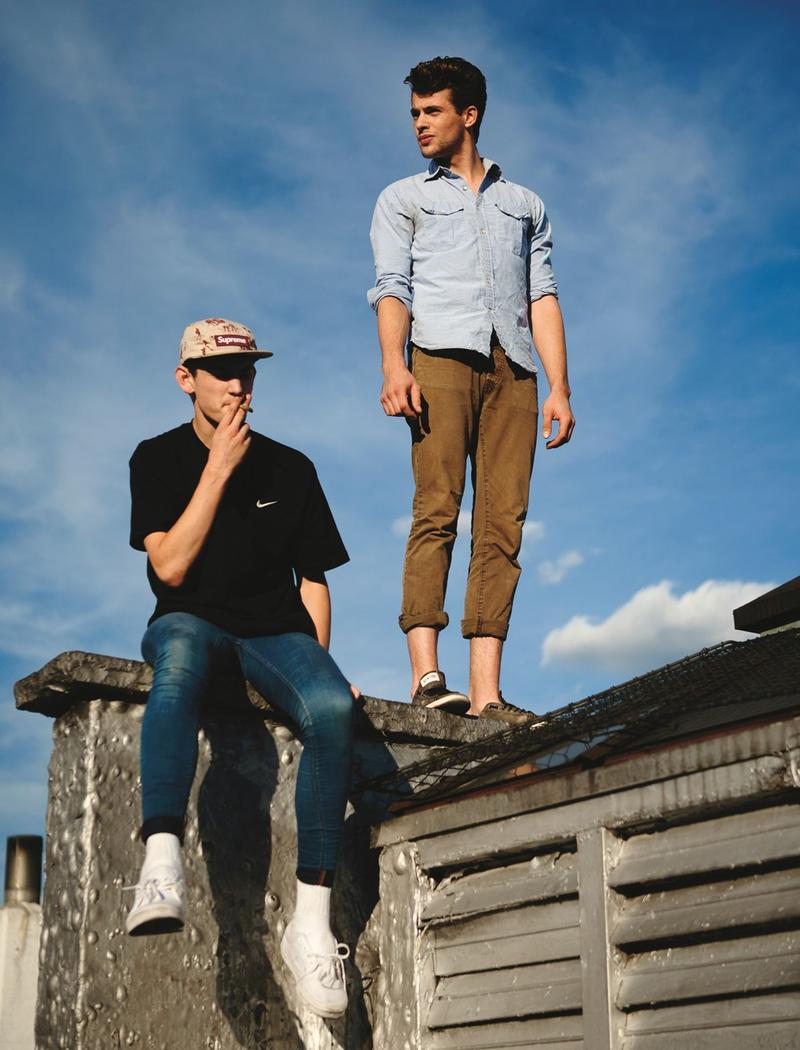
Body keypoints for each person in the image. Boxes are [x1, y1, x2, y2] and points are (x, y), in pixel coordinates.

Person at [125, 317, 354, 1019]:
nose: (237, 385)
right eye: (222, 372)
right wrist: (219, 468)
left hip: (274, 632)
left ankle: (311, 924)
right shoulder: (156, 457)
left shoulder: (292, 467)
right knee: (176, 664)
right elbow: (169, 566)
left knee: (334, 708)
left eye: (246, 371)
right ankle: (161, 861)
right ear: (186, 379)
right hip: (191, 621)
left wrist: (318, 666)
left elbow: (313, 581)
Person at [368, 57, 575, 725]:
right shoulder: (403, 198)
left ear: (469, 114)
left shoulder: (525, 205)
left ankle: (487, 695)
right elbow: (392, 286)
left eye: (432, 111)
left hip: (514, 368)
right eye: (415, 113)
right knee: (437, 508)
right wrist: (394, 366)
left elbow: (542, 296)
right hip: (437, 359)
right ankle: (427, 679)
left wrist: (559, 388)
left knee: (503, 522)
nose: (419, 124)